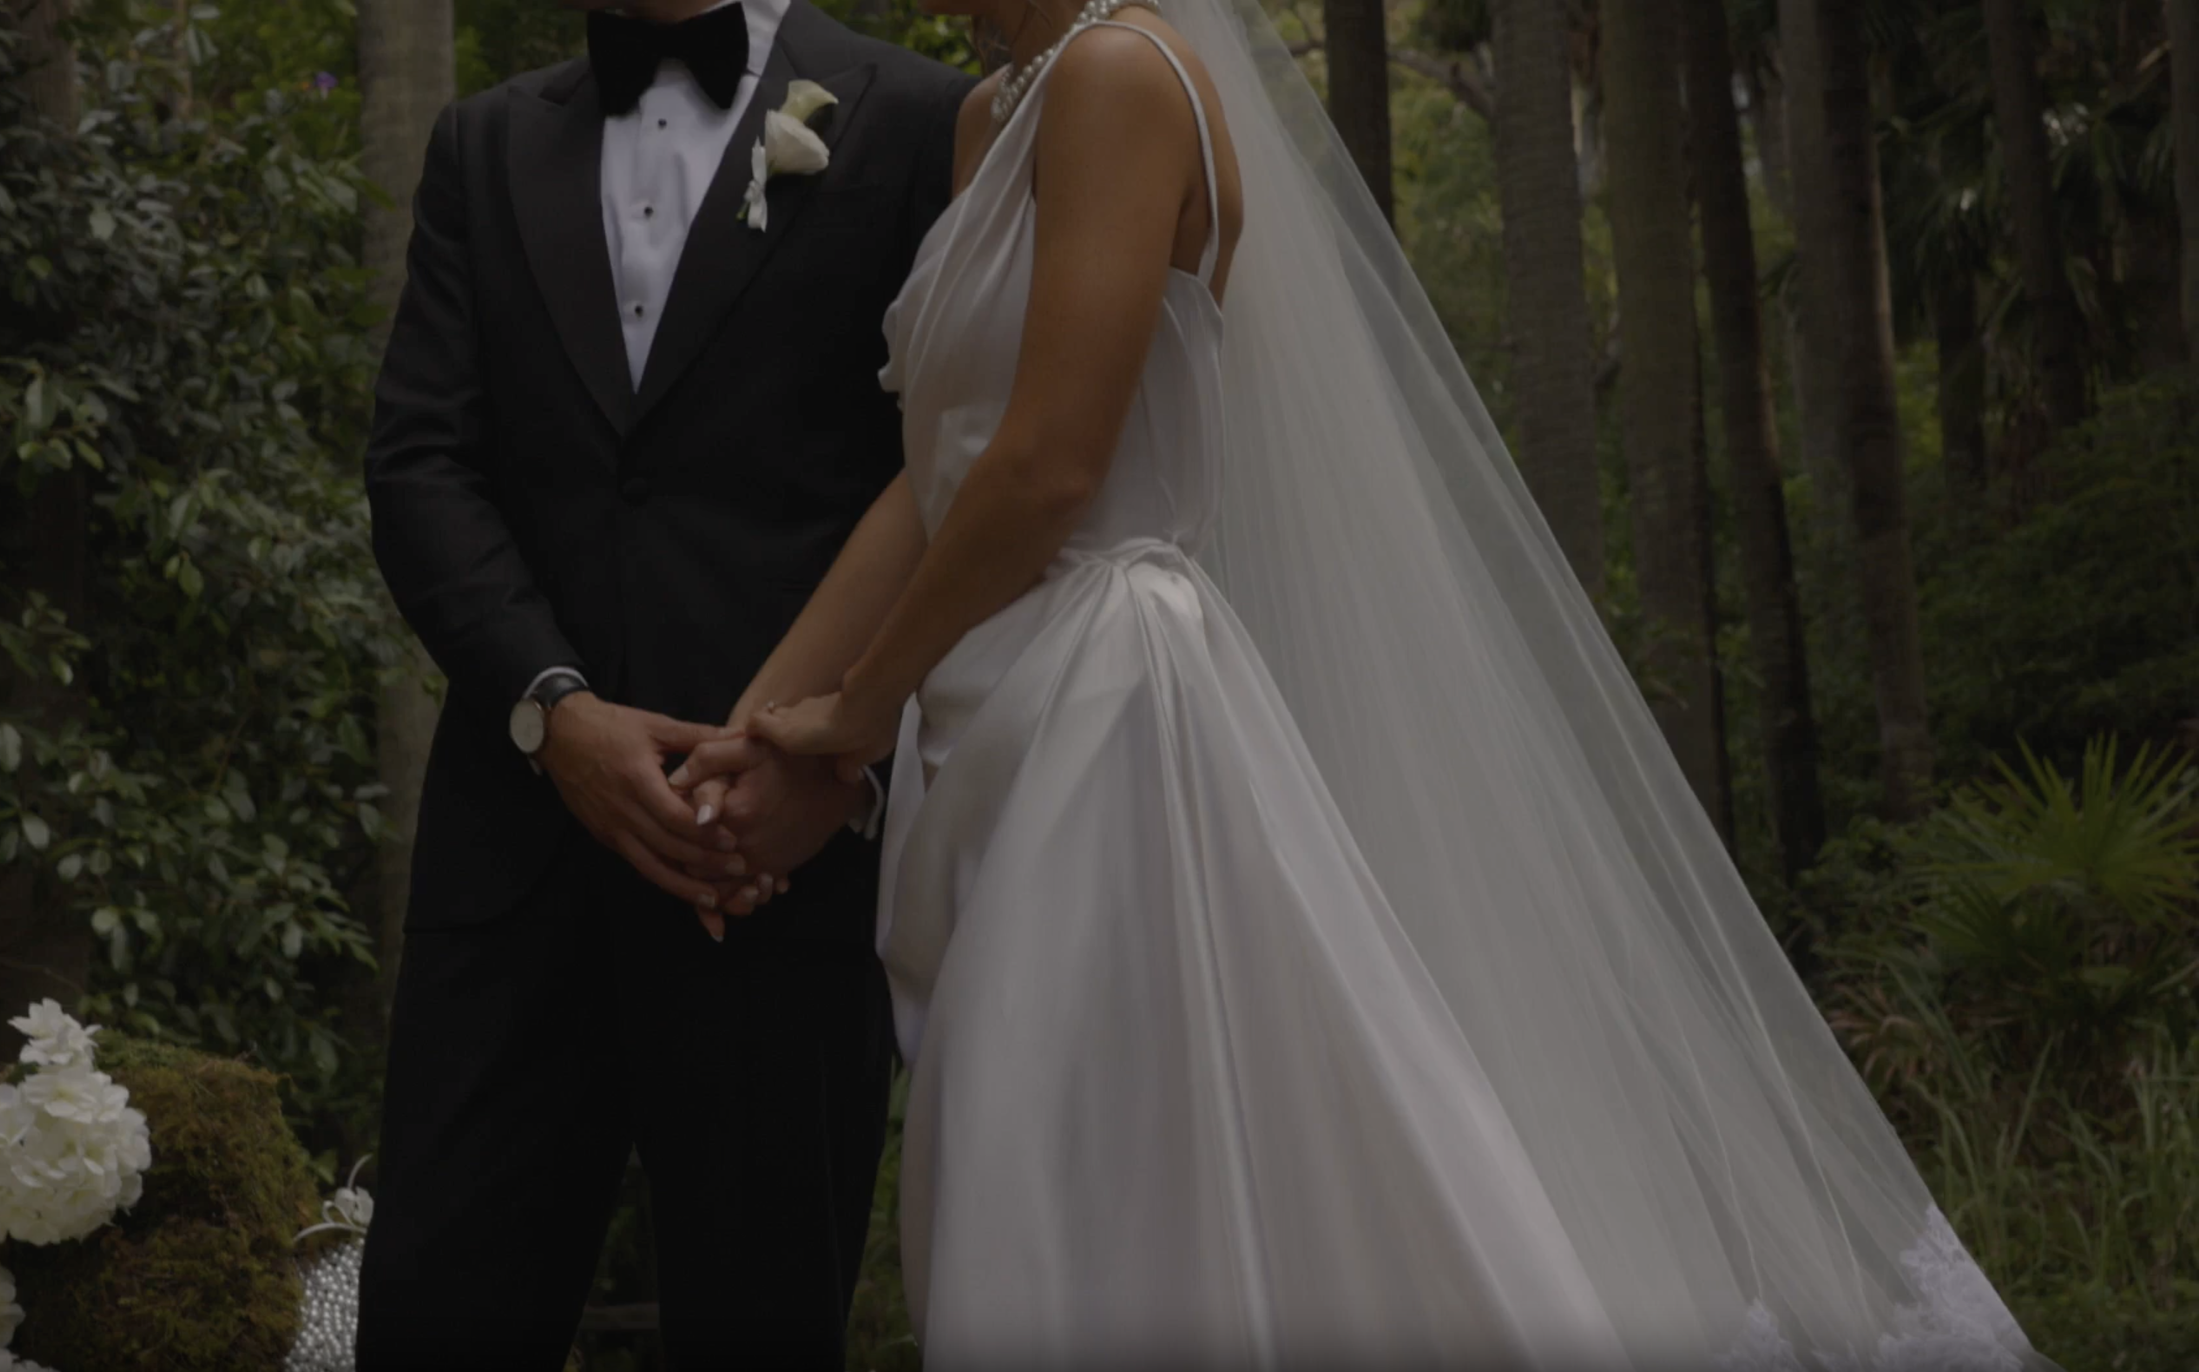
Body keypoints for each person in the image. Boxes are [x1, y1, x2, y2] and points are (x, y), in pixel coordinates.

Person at [674, 0, 2061, 1364]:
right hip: (981, 713)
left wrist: (856, 716)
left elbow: (1047, 468)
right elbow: (939, 476)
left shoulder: (1118, 72)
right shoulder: (997, 112)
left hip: (1107, 700)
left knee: (1062, 1181)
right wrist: (762, 736)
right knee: (1050, 1163)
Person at [353, 0, 968, 1362]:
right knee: (436, 1315)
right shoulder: (483, 145)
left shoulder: (923, 119)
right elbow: (420, 468)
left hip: (779, 863)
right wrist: (552, 709)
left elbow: (950, 475)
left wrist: (834, 760)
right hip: (513, 866)